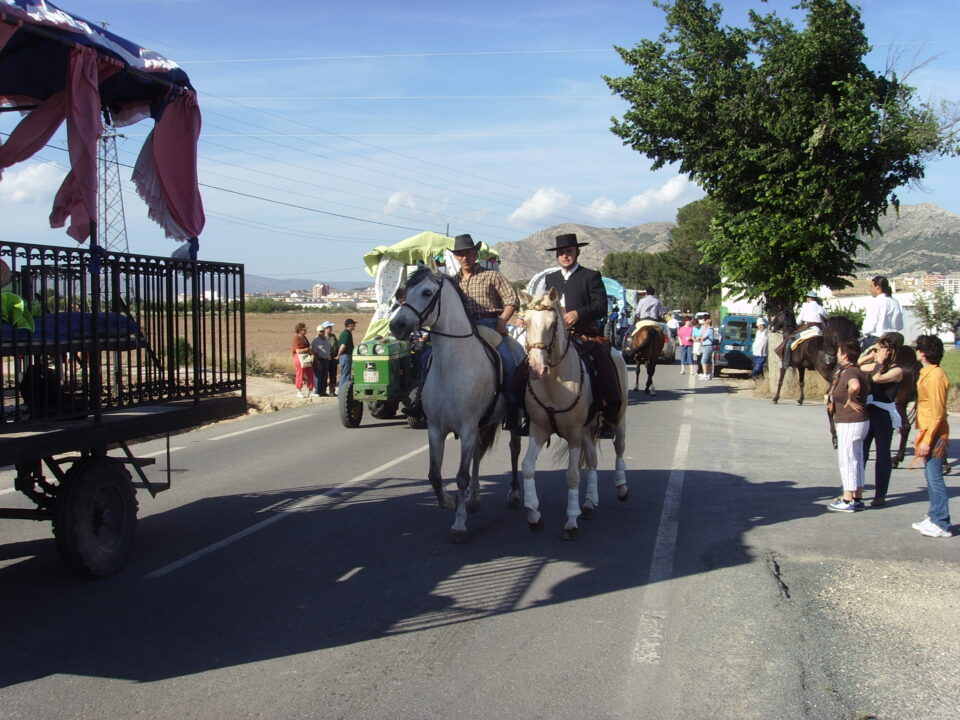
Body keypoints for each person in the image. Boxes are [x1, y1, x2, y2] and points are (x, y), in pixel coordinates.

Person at [541, 233, 621, 437]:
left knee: (605, 362)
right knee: (528, 365)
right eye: (561, 253)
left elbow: (601, 306)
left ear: (577, 252)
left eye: (569, 251)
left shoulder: (591, 276)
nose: (565, 256)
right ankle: (524, 414)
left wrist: (579, 314)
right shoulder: (550, 279)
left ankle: (608, 415)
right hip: (554, 336)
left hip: (584, 334)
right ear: (556, 256)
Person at [449, 233, 521, 427]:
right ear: (455, 257)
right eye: (460, 254)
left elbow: (512, 300)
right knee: (430, 357)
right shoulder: (452, 282)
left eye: (468, 253)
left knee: (509, 362)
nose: (464, 257)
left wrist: (502, 321)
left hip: (490, 326)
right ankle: (426, 402)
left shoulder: (492, 276)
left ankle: (514, 407)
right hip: (463, 330)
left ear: (475, 253)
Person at [910, 335, 953, 537]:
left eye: (918, 348)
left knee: (935, 477)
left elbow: (937, 412)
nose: (916, 351)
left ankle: (942, 522)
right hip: (927, 431)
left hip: (934, 433)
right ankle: (934, 514)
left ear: (924, 352)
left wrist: (927, 440)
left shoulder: (935, 376)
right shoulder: (926, 373)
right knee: (930, 475)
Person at [858, 335, 904, 507]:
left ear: (888, 351)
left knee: (882, 455)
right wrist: (871, 354)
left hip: (884, 415)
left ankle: (880, 494)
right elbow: (857, 365)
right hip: (869, 411)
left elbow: (877, 378)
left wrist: (879, 361)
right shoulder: (876, 364)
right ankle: (857, 491)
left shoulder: (897, 370)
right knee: (862, 452)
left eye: (879, 349)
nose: (876, 352)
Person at [826, 340, 869, 512]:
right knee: (856, 459)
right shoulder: (856, 370)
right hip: (860, 421)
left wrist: (850, 398)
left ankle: (847, 499)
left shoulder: (849, 371)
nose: (837, 355)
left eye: (838, 352)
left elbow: (854, 386)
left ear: (844, 354)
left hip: (850, 421)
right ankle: (857, 497)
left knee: (847, 460)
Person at [782, 291, 827, 366]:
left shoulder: (805, 307)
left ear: (809, 298)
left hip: (807, 331)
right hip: (819, 331)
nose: (806, 299)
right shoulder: (821, 308)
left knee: (789, 341)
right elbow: (826, 318)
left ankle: (786, 362)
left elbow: (798, 321)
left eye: (807, 297)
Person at [861, 275, 903, 350]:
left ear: (877, 287)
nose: (871, 289)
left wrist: (864, 333)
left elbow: (869, 326)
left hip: (877, 340)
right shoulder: (895, 302)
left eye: (871, 287)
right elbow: (900, 325)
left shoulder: (876, 302)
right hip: (894, 340)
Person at [291, 322, 315, 398]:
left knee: (310, 373)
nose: (306, 331)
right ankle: (299, 391)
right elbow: (298, 351)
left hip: (306, 357)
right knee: (300, 374)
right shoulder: (296, 338)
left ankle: (311, 391)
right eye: (304, 329)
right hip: (299, 358)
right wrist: (307, 349)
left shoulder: (304, 338)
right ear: (300, 330)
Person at [311, 321, 334, 396]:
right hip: (319, 359)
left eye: (323, 331)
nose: (322, 333)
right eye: (320, 331)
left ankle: (323, 391)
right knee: (318, 376)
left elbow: (328, 349)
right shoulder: (315, 340)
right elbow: (315, 352)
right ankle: (317, 391)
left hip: (326, 359)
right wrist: (317, 361)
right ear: (317, 332)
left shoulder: (325, 339)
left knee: (324, 376)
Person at [336, 318, 357, 390]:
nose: (355, 326)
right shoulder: (346, 334)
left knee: (345, 374)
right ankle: (343, 391)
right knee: (346, 375)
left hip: (345, 356)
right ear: (350, 325)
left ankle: (342, 391)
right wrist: (339, 355)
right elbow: (343, 345)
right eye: (354, 324)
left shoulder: (346, 333)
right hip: (345, 356)